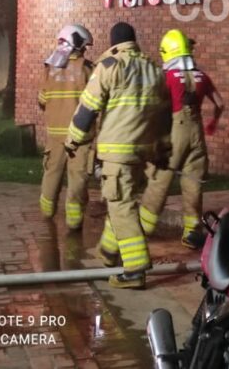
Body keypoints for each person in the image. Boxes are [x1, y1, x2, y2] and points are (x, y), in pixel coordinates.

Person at [65, 22, 171, 289]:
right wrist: (163, 149)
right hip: (143, 151)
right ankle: (108, 253)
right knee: (122, 202)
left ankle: (135, 270)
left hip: (117, 152)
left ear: (113, 42)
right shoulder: (153, 69)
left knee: (121, 205)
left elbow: (87, 109)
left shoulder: (110, 66)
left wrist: (72, 140)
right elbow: (164, 115)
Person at [139, 30, 224, 249]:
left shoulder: (166, 77)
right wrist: (213, 122)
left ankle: (144, 227)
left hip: (175, 132)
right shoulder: (202, 77)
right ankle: (192, 232)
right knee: (193, 183)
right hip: (197, 134)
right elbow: (220, 103)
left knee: (160, 179)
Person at [38, 24, 95, 230]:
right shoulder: (87, 69)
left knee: (52, 172)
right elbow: (95, 101)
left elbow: (42, 100)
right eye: (84, 46)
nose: (85, 50)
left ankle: (47, 211)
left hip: (55, 134)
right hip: (80, 136)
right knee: (77, 176)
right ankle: (74, 221)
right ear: (77, 44)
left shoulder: (49, 69)